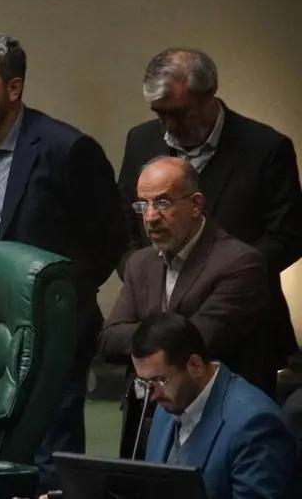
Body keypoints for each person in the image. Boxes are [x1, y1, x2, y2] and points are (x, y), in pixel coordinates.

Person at [0, 33, 127, 487]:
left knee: (48, 463)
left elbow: (107, 239)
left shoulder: (66, 149)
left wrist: (57, 302)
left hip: (48, 338)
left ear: (15, 87)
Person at [117, 48, 302, 395]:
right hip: (156, 317)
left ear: (209, 94)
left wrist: (230, 278)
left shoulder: (266, 148)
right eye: (160, 114)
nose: (169, 125)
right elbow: (123, 220)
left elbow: (288, 234)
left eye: (179, 113)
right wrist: (139, 272)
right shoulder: (141, 140)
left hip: (243, 329)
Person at [100, 156, 271, 457]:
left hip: (214, 425)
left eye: (163, 203)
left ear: (195, 204)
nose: (150, 217)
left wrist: (147, 335)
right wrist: (171, 331)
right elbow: (110, 339)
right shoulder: (140, 263)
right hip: (144, 416)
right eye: (143, 205)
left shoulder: (240, 263)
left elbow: (196, 344)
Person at [134, 313, 295, 499]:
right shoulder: (167, 404)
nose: (153, 395)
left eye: (159, 380)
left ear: (195, 366)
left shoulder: (255, 424)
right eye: (144, 383)